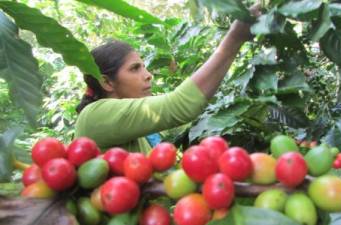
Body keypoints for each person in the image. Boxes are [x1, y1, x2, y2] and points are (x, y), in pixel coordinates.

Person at [74, 10, 259, 153]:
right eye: (134, 69)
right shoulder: (94, 116)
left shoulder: (136, 128)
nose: (148, 75)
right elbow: (179, 105)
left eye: (144, 67)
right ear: (106, 82)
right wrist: (235, 38)